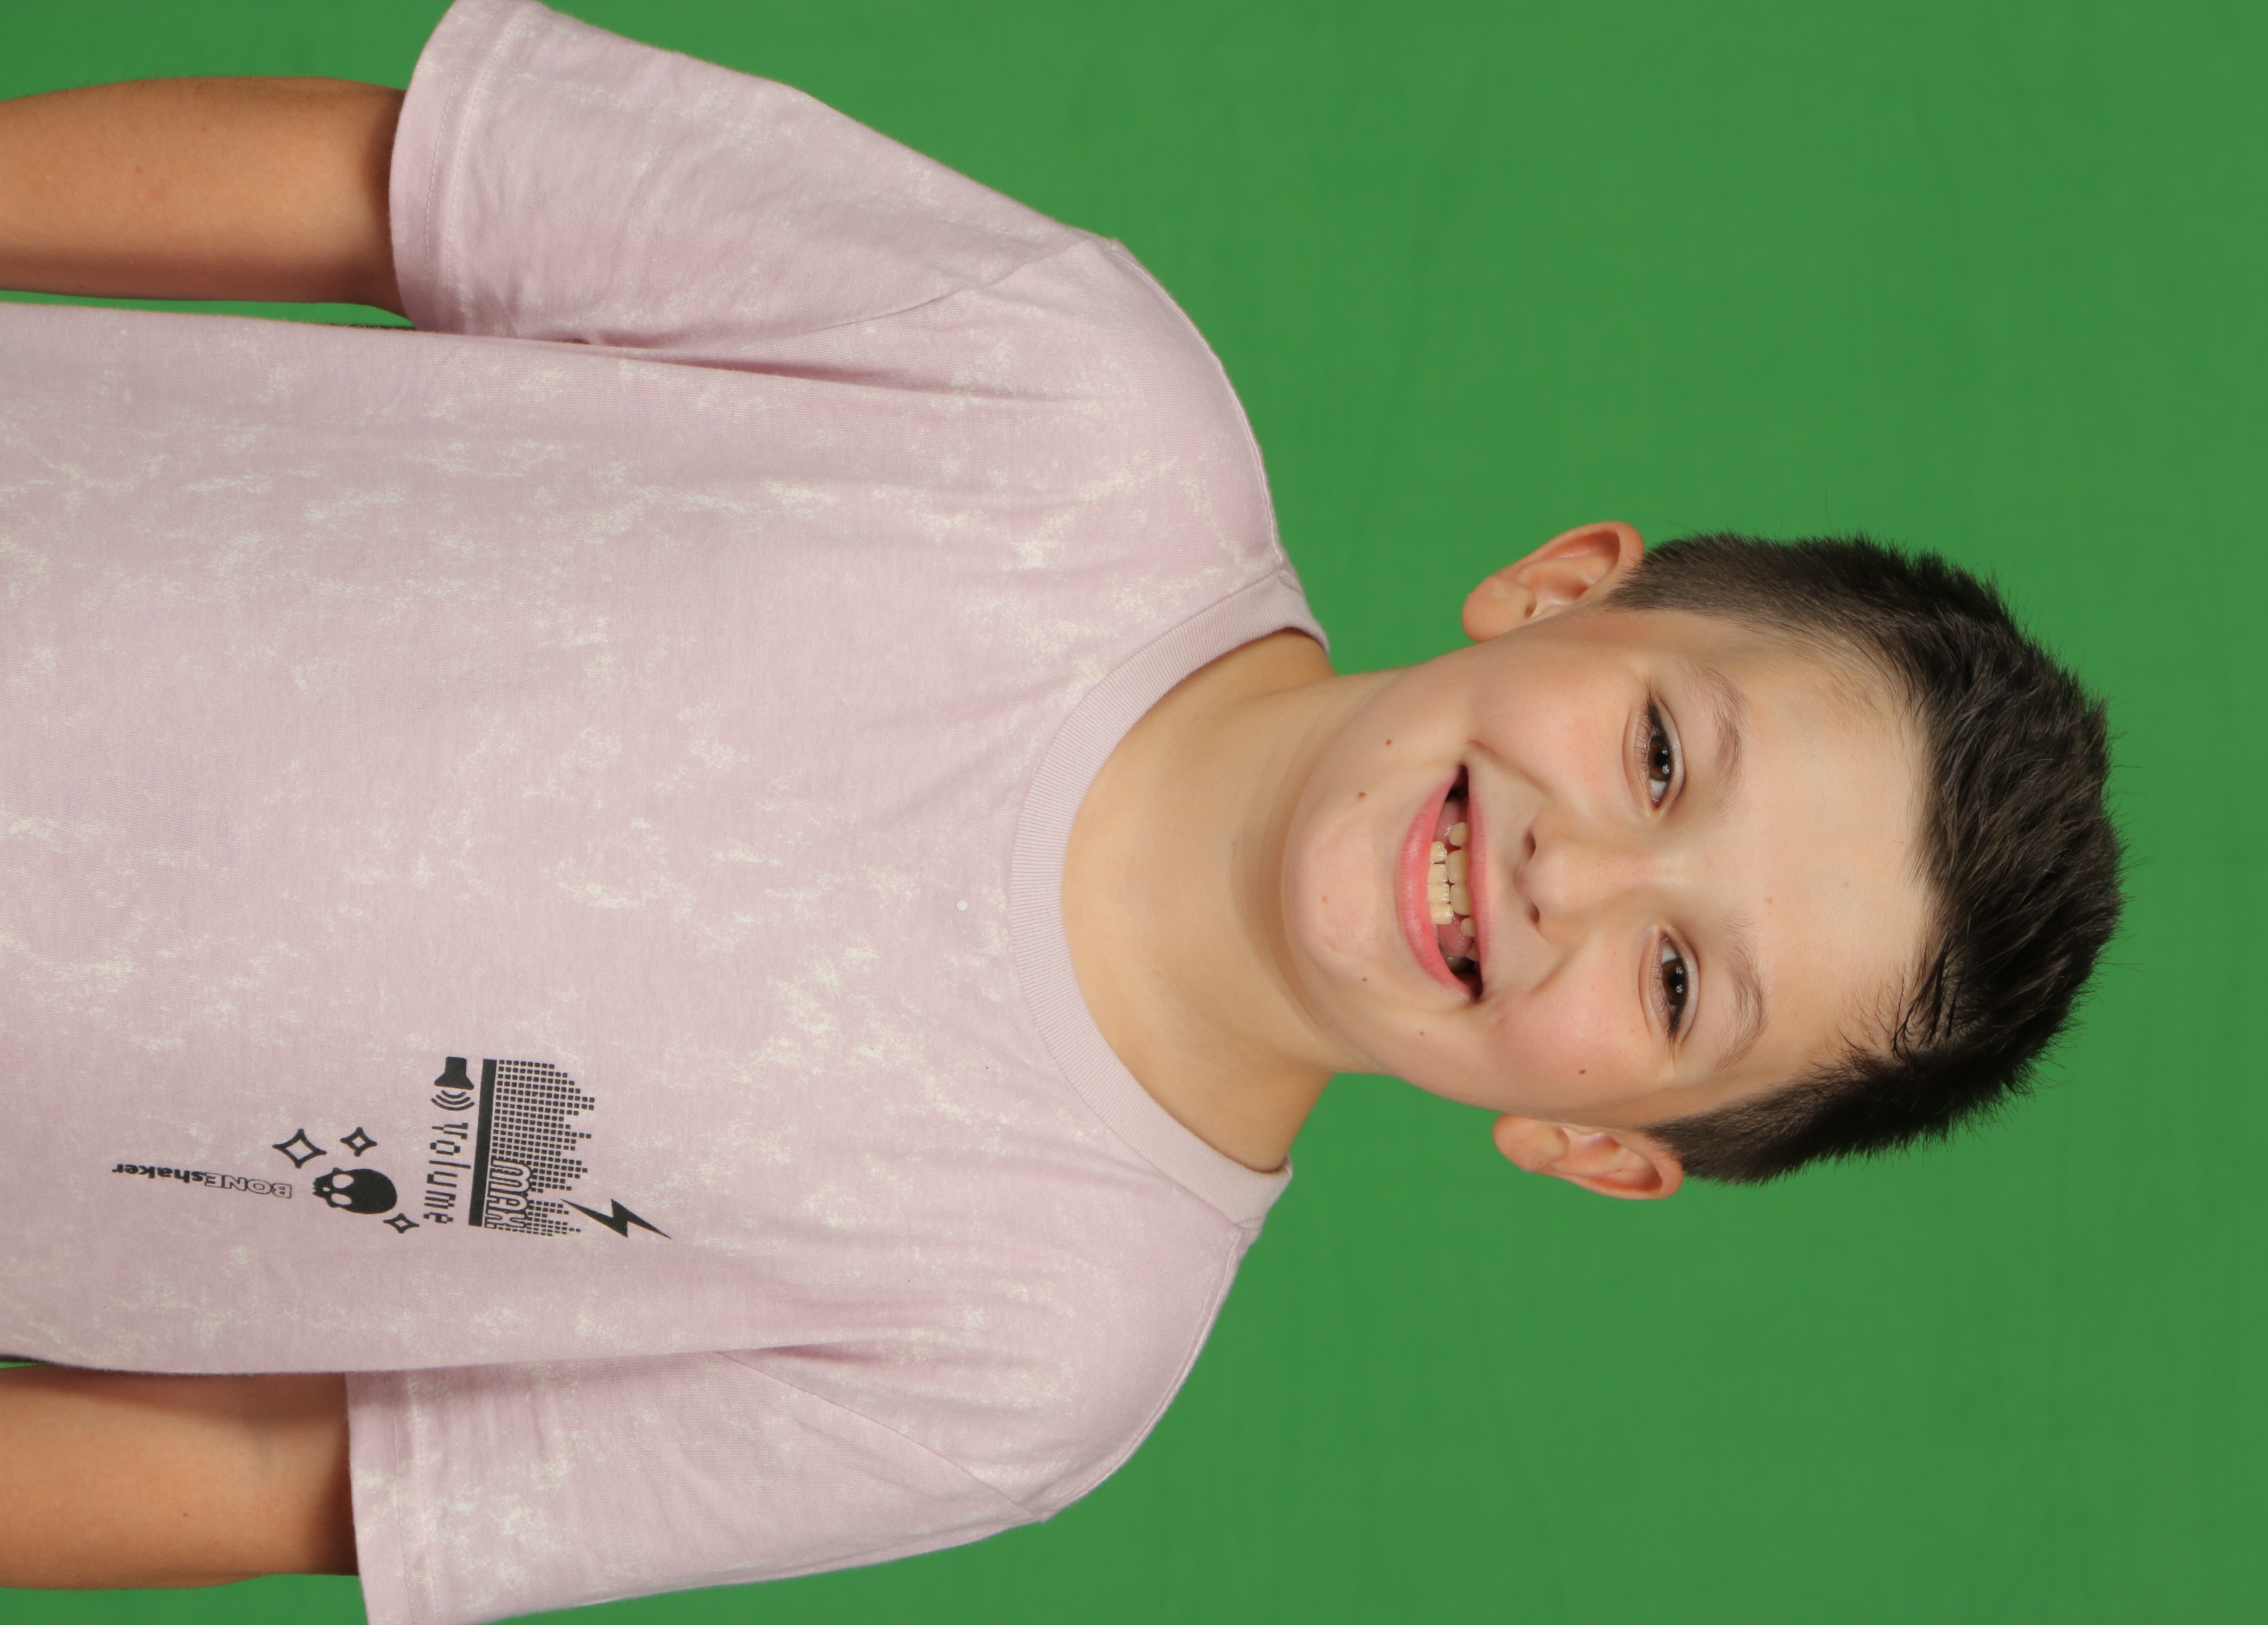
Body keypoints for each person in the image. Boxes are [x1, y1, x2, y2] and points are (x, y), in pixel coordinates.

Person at [0, 1, 2122, 1620]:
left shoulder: (1034, 1361)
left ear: (1602, 1149)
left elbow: (281, 1469)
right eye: (1662, 756)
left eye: (1677, 982)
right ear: (1569, 589)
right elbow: (397, 188)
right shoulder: (1063, 394)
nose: (1583, 870)